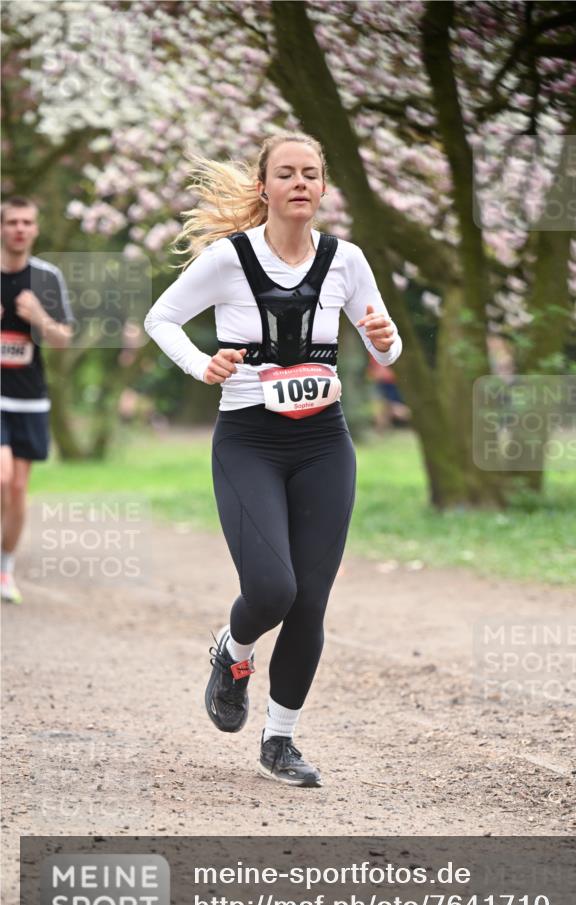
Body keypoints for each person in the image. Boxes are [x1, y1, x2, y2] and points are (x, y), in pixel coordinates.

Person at [144, 132, 402, 787]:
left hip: (324, 443)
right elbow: (161, 319)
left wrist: (384, 339)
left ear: (321, 187)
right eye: (285, 173)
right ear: (264, 186)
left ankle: (279, 741)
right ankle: (232, 652)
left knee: (309, 602)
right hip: (249, 440)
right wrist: (204, 365)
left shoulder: (346, 259)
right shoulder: (230, 259)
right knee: (271, 590)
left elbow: (386, 346)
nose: (298, 183)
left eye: (310, 174)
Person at [1, 196, 74, 603]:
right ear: (1, 227)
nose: (20, 229)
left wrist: (39, 319)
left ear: (35, 229)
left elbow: (64, 339)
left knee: (16, 490)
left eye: (27, 222)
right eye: (12, 222)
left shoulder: (46, 278)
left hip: (29, 398)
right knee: (3, 477)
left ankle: (5, 569)